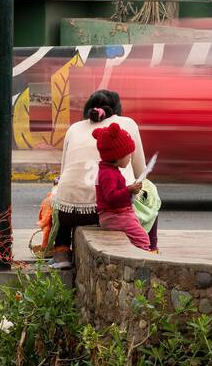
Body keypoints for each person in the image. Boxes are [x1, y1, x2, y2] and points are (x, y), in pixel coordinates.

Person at [48, 90, 155, 266]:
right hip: (108, 212)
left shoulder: (74, 128)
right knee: (151, 192)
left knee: (61, 194)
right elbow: (140, 172)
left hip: (69, 214)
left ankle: (62, 252)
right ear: (117, 109)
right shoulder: (127, 124)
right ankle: (150, 246)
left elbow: (64, 172)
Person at [92, 120, 154, 252]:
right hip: (114, 216)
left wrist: (130, 189)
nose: (130, 157)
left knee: (137, 231)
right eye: (128, 154)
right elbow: (111, 197)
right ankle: (143, 260)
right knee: (142, 238)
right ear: (116, 156)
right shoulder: (108, 174)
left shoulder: (110, 171)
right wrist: (129, 190)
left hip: (119, 214)